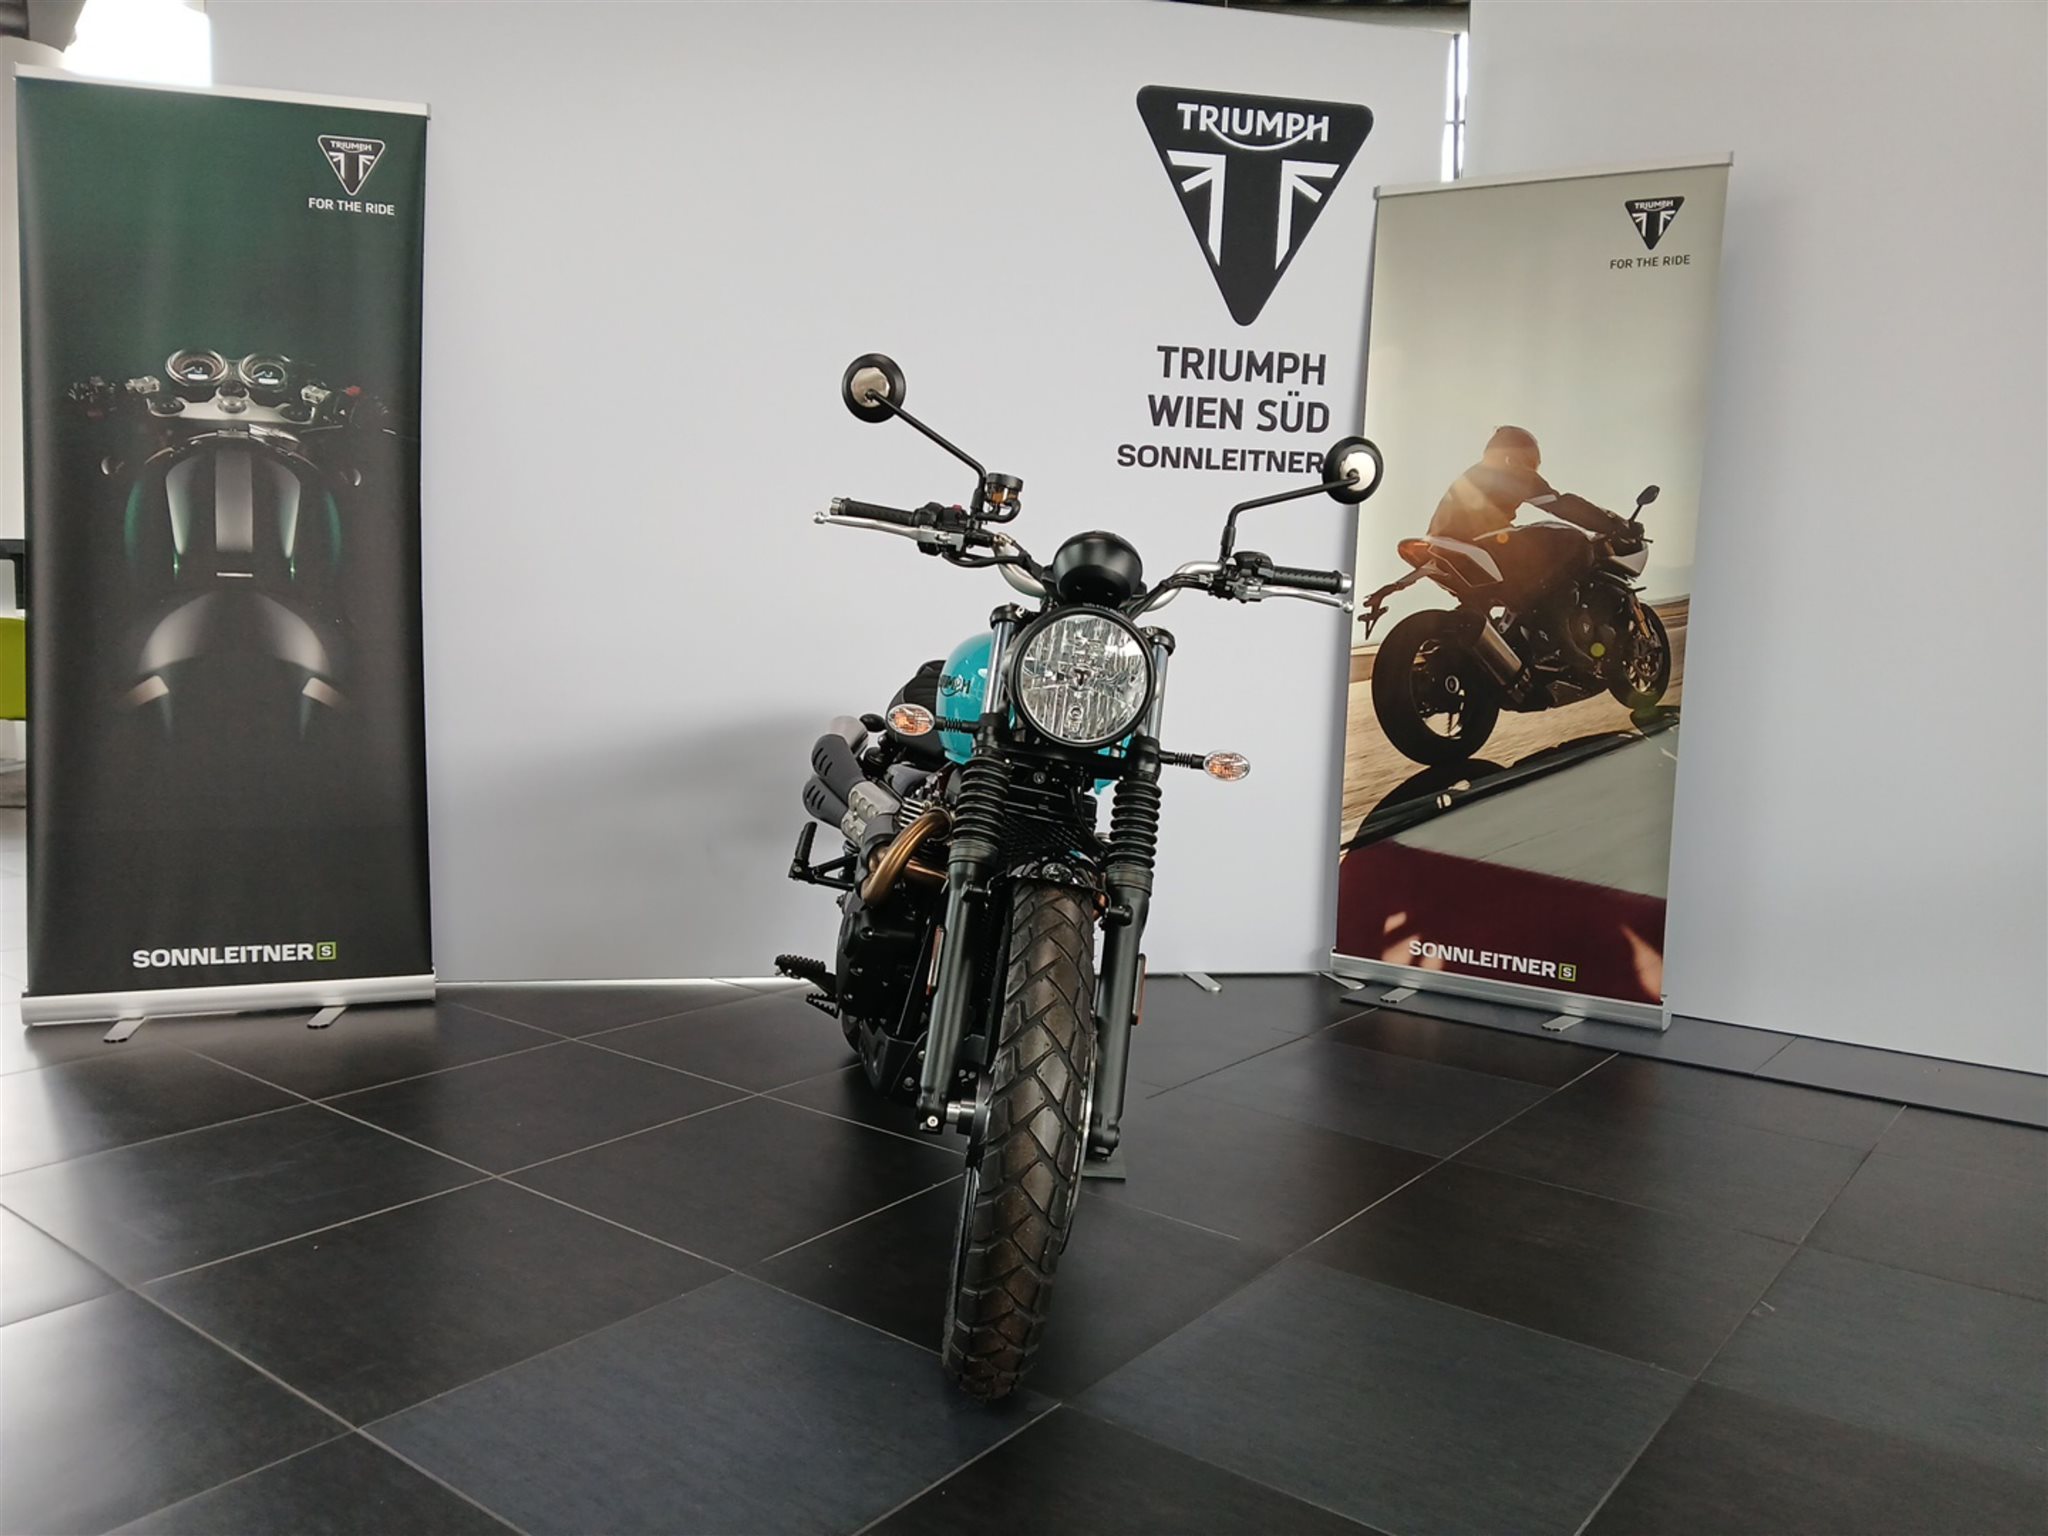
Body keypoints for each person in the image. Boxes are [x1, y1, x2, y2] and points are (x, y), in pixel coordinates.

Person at [1427, 426, 1628, 663]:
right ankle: (1557, 630)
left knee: (1489, 599)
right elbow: (1559, 503)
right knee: (1577, 542)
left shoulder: (1472, 474)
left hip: (1441, 545)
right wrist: (1612, 523)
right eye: (1531, 460)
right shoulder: (1510, 469)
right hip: (1481, 542)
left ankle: (1481, 648)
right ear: (1518, 453)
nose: (1532, 468)